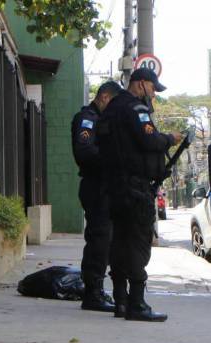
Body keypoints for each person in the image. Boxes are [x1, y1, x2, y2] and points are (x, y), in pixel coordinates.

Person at [96, 67, 182, 322]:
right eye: (153, 89)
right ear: (142, 84)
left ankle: (120, 301)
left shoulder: (111, 109)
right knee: (137, 244)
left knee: (119, 242)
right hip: (134, 188)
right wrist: (169, 138)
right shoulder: (136, 109)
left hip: (114, 187)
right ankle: (137, 304)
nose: (153, 95)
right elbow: (150, 141)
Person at [71, 81, 123, 312]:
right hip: (95, 185)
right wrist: (112, 161)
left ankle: (98, 290)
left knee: (106, 240)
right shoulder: (88, 118)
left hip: (105, 186)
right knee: (99, 239)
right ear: (103, 97)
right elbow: (84, 151)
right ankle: (92, 293)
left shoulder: (104, 121)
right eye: (112, 103)